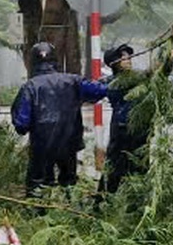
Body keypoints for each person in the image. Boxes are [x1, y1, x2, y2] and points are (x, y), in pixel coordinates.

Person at [11, 41, 108, 195]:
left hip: (41, 144)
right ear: (55, 60)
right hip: (69, 141)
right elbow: (100, 91)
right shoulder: (73, 81)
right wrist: (105, 80)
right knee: (69, 182)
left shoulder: (30, 87)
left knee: (38, 183)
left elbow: (21, 123)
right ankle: (69, 210)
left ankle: (38, 214)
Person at [99, 42, 171, 195]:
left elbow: (156, 77)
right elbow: (147, 74)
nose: (128, 60)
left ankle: (138, 200)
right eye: (123, 58)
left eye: (128, 57)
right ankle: (103, 201)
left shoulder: (137, 77)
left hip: (140, 130)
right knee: (113, 168)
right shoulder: (112, 82)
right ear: (114, 63)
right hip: (121, 130)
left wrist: (167, 64)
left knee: (140, 166)